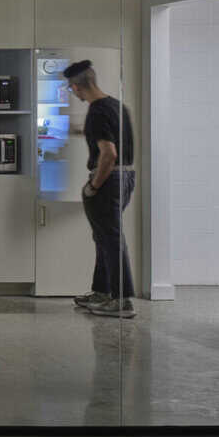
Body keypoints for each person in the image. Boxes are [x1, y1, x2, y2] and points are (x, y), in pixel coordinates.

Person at [64, 59, 136, 319]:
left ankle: (121, 300)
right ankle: (102, 292)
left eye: (71, 88)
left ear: (76, 87)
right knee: (105, 237)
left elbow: (109, 153)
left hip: (107, 180)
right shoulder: (118, 106)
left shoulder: (96, 112)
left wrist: (94, 186)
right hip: (126, 177)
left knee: (111, 238)